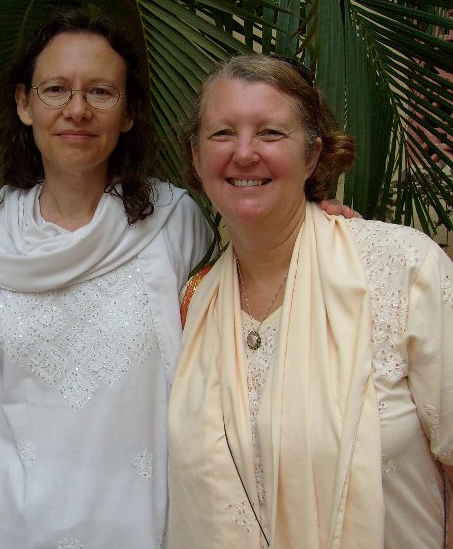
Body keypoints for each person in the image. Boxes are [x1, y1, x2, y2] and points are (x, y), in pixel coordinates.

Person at [168, 53, 453, 548]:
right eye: (221, 134)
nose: (244, 152)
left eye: (271, 133)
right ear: (195, 156)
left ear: (313, 154)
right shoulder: (194, 304)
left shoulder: (401, 272)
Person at [0, 9, 215, 548]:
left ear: (128, 113)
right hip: (17, 518)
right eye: (55, 89)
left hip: (149, 518)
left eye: (101, 92)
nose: (76, 110)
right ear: (23, 103)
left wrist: (313, 221)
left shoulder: (176, 223)